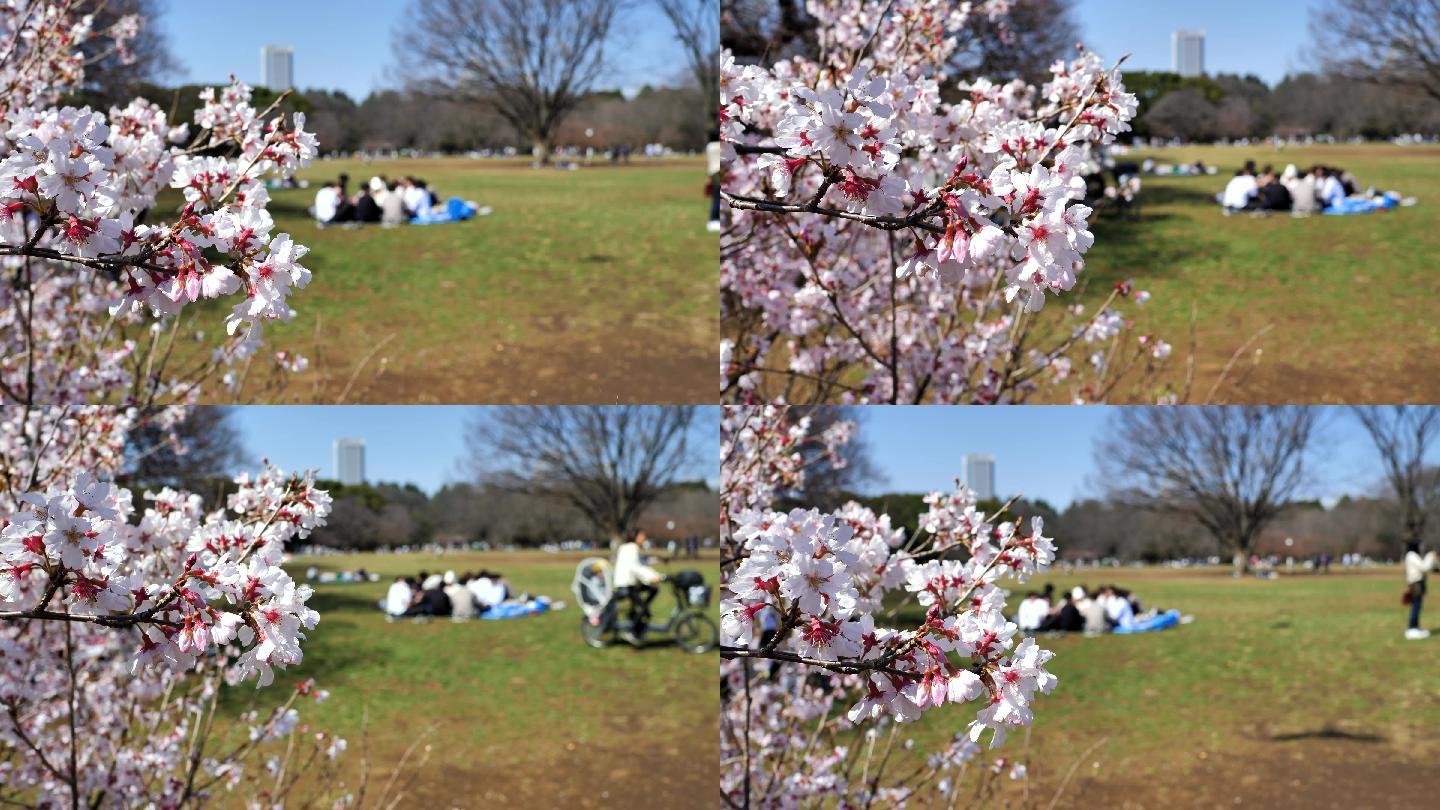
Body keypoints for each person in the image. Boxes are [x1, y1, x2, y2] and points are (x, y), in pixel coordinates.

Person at [614, 529, 665, 643]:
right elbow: (635, 567)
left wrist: (655, 575)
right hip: (627, 584)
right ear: (635, 536)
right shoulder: (631, 548)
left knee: (653, 589)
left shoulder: (629, 547)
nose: (644, 538)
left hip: (631, 583)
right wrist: (652, 577)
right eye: (642, 536)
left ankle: (642, 613)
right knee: (642, 606)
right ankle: (632, 632)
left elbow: (639, 566)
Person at [1404, 541, 1438, 640]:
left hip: (1417, 583)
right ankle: (1412, 628)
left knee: (1417, 606)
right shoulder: (1411, 555)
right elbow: (1424, 567)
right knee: (1416, 605)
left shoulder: (1412, 555)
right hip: (1415, 583)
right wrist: (1430, 556)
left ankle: (1415, 628)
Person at [706, 129, 722, 233]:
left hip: (712, 172)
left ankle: (713, 219)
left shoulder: (709, 147)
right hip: (718, 171)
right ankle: (713, 219)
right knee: (717, 197)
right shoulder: (718, 146)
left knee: (715, 196)